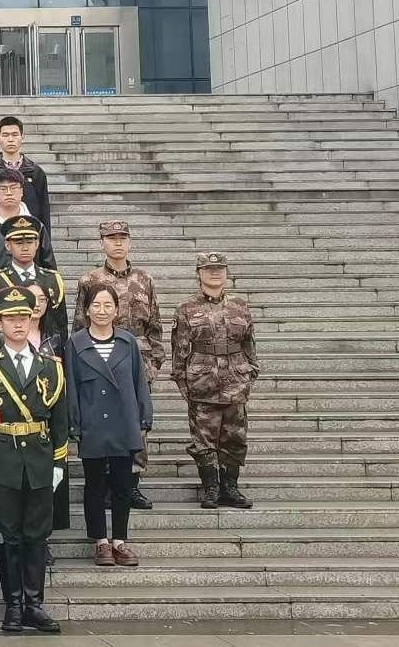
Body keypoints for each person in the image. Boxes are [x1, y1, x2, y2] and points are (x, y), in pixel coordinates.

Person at [0, 289, 67, 635]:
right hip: (5, 458)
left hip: (40, 458)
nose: (19, 324)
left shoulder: (51, 367)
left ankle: (34, 605)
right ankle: (12, 603)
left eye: (23, 317)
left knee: (36, 534)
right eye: (11, 319)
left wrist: (58, 463)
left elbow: (60, 419)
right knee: (8, 535)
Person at [77, 218, 165, 511]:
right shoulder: (90, 281)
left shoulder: (144, 280)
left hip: (134, 363)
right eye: (111, 238)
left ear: (129, 241)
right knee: (101, 422)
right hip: (99, 365)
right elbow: (79, 327)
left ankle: (131, 485)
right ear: (101, 242)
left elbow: (155, 328)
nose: (118, 242)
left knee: (135, 425)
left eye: (122, 237)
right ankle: (103, 486)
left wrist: (151, 366)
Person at [69, 287, 152, 567]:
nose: (102, 310)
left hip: (122, 421)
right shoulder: (76, 343)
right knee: (94, 485)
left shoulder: (128, 342)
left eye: (108, 305)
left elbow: (140, 382)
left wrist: (144, 417)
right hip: (93, 420)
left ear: (117, 309)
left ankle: (119, 540)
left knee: (122, 484)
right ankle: (100, 541)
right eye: (96, 305)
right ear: (87, 309)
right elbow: (71, 385)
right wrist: (74, 422)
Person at [172, 252, 258, 510]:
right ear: (198, 273)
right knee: (204, 440)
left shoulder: (240, 306)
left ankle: (230, 487)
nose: (214, 272)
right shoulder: (186, 308)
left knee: (235, 438)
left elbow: (249, 345)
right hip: (202, 383)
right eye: (208, 269)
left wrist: (249, 373)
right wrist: (184, 383)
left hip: (235, 382)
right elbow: (179, 351)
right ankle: (211, 487)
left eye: (219, 268)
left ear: (227, 272)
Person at [0, 168, 56, 312]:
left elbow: (48, 264)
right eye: (3, 188)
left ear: (22, 191)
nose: (9, 192)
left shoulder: (36, 226)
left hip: (34, 301)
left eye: (13, 188)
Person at [0, 215, 68, 352]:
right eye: (19, 243)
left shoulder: (52, 279)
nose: (25, 248)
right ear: (8, 246)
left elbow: (60, 326)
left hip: (46, 352)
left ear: (37, 244)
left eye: (30, 242)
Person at [0, 117, 51, 231]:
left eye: (15, 135)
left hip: (29, 233)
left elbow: (44, 211)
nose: (10, 139)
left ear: (22, 137)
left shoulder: (36, 172)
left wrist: (44, 239)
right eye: (5, 135)